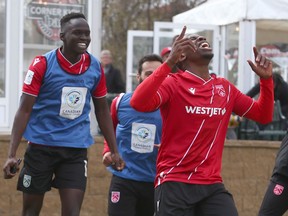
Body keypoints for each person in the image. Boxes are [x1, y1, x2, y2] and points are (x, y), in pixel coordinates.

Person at [130, 26, 274, 216]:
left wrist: (266, 80)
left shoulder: (224, 88)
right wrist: (168, 62)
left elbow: (263, 115)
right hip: (174, 181)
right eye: (193, 39)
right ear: (181, 56)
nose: (200, 39)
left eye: (201, 37)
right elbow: (138, 102)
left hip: (211, 184)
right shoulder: (173, 83)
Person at [2, 12, 124, 216]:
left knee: (72, 212)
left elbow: (102, 110)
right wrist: (11, 154)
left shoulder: (95, 67)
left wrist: (114, 149)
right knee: (30, 211)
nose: (84, 38)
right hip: (41, 147)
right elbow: (24, 110)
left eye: (87, 33)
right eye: (77, 33)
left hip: (74, 150)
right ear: (62, 35)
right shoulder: (42, 64)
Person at [102, 54, 163, 216]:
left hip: (156, 182)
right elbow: (111, 131)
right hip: (125, 179)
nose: (154, 77)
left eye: (158, 73)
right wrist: (108, 152)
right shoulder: (120, 102)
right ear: (138, 77)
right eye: (149, 73)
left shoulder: (172, 106)